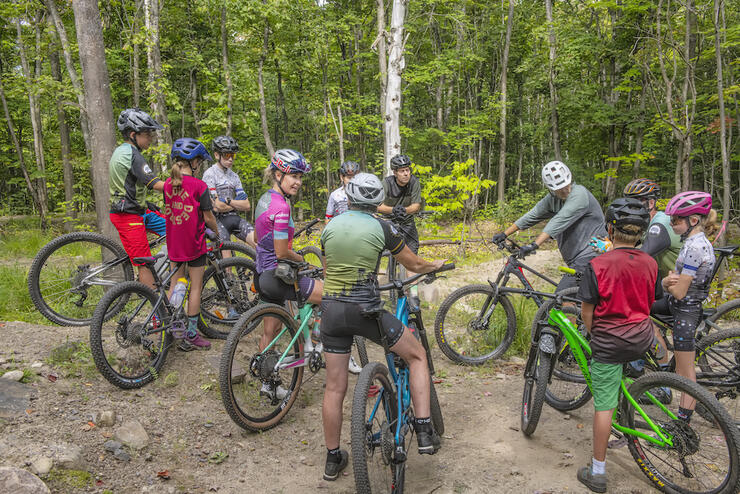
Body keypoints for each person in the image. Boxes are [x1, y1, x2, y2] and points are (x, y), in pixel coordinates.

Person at [319, 172, 446, 481]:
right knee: (416, 356)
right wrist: (434, 266)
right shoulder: (382, 227)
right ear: (378, 202)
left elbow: (328, 270)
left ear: (349, 198)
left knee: (335, 387)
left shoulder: (329, 228)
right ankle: (425, 430)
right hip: (365, 310)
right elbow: (413, 264)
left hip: (332, 311)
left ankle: (333, 458)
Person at [575, 198, 659, 493]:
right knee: (619, 379)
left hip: (610, 343)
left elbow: (587, 313)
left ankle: (597, 472)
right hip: (641, 337)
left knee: (603, 405)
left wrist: (593, 334)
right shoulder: (651, 263)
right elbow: (648, 301)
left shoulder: (597, 264)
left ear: (610, 229)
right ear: (641, 233)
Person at [253, 149, 322, 398]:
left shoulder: (265, 199)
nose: (298, 182)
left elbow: (255, 238)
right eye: (294, 176)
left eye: (300, 177)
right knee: (328, 295)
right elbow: (283, 252)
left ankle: (268, 384)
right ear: (278, 174)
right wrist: (300, 258)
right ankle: (318, 340)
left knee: (268, 333)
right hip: (278, 275)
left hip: (261, 275)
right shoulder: (282, 207)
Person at [492, 161, 607, 292]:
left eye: (566, 186)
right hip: (577, 259)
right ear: (551, 189)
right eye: (559, 189)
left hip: (593, 254)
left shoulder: (579, 194)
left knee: (562, 297)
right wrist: (505, 234)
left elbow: (559, 220)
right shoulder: (552, 199)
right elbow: (532, 215)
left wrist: (534, 245)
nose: (564, 190)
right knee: (579, 301)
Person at [655, 191, 717, 422]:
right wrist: (668, 281)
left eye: (676, 221)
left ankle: (683, 422)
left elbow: (679, 290)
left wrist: (668, 283)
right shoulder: (693, 241)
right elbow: (676, 278)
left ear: (693, 221)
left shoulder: (694, 248)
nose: (671, 225)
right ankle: (661, 363)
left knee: (685, 374)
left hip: (685, 310)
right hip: (678, 305)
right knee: (643, 310)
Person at [163, 138, 220, 351]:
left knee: (175, 285)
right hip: (194, 244)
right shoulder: (199, 186)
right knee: (194, 287)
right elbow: (208, 218)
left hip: (174, 243)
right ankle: (191, 335)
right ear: (194, 162)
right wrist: (216, 232)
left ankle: (170, 327)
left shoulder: (168, 184)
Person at [109, 108, 166, 289]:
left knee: (176, 228)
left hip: (138, 210)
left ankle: (167, 277)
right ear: (133, 134)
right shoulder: (132, 155)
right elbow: (154, 183)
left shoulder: (124, 150)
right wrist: (186, 188)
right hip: (128, 216)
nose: (150, 137)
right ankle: (156, 314)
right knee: (145, 264)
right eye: (147, 133)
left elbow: (129, 186)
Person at [592, 178, 683, 280]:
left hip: (681, 284)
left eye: (636, 201)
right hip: (666, 280)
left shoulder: (660, 224)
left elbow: (639, 257)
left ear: (651, 203)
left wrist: (611, 248)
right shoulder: (644, 224)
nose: (631, 206)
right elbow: (629, 247)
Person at [202, 136, 255, 249]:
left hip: (232, 217)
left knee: (258, 243)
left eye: (233, 155)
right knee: (228, 263)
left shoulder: (234, 176)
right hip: (216, 220)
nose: (230, 159)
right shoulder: (209, 174)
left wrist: (228, 201)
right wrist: (236, 204)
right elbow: (217, 206)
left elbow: (247, 205)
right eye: (227, 155)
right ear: (217, 155)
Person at [376, 154, 423, 253]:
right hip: (387, 220)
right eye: (402, 171)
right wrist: (393, 210)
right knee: (378, 250)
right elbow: (377, 206)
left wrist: (404, 210)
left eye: (407, 170)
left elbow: (416, 205)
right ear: (395, 173)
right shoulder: (386, 183)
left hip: (407, 221)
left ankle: (409, 268)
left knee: (413, 252)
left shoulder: (414, 182)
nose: (406, 174)